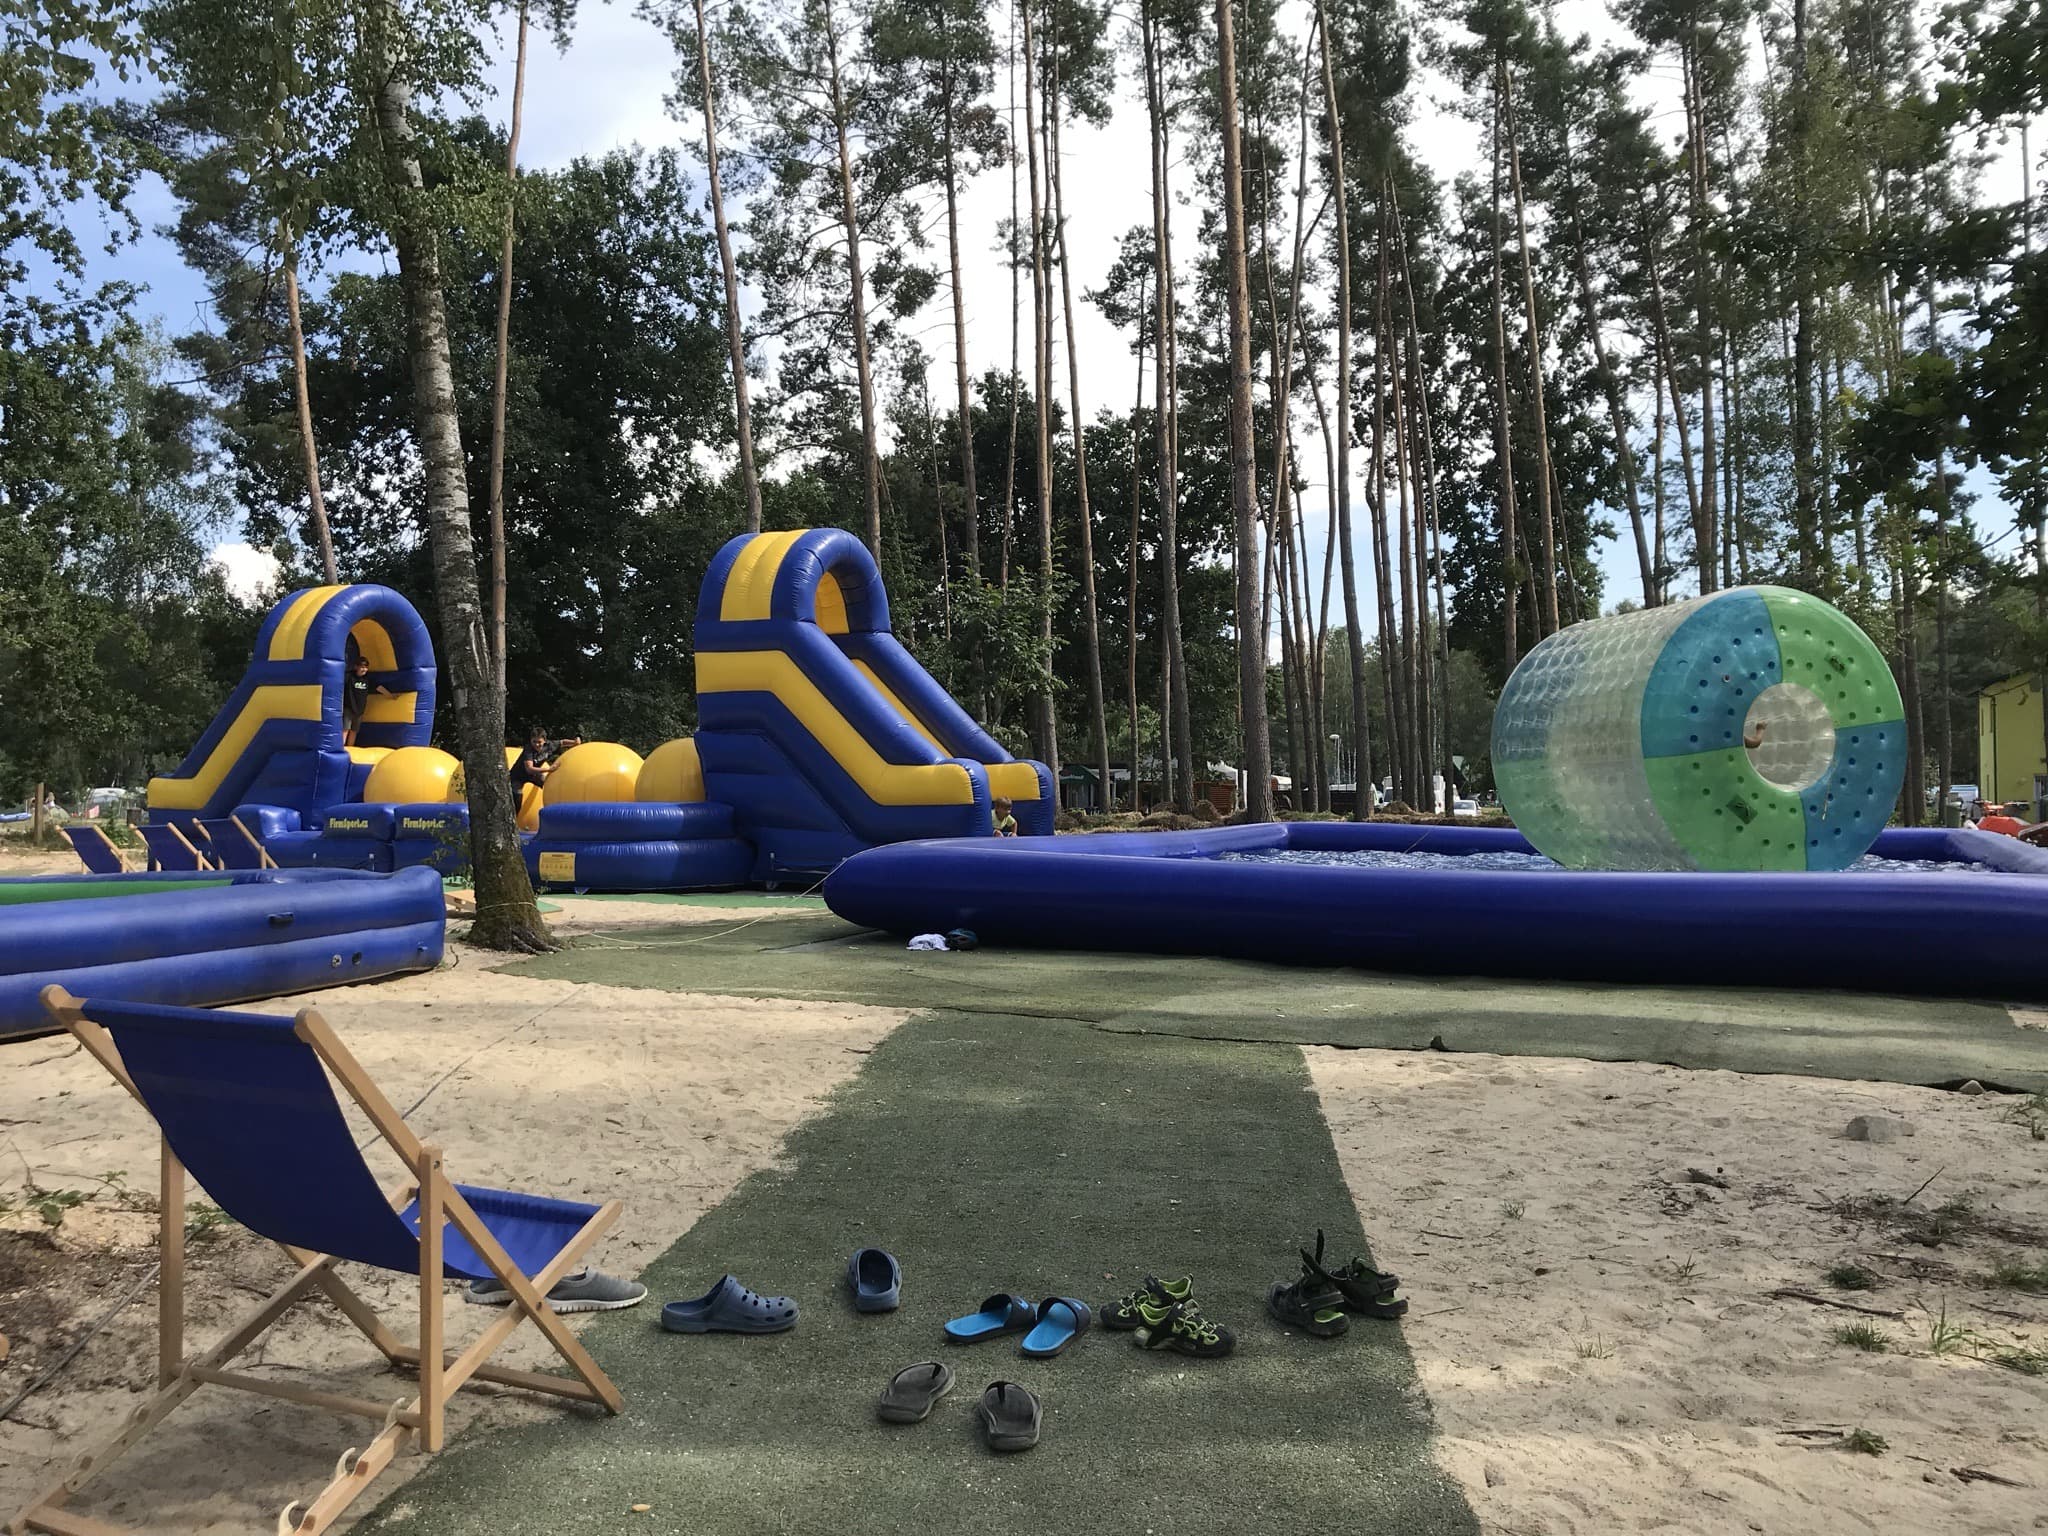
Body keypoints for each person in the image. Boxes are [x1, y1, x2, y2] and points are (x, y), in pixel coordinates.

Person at [509, 726, 582, 795]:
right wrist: (548, 769)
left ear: (544, 741)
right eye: (534, 741)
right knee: (517, 794)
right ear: (531, 740)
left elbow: (562, 742)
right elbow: (529, 769)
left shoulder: (549, 746)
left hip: (534, 774)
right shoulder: (528, 749)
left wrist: (574, 742)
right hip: (517, 776)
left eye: (539, 742)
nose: (536, 744)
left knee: (549, 786)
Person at [343, 655, 396, 747]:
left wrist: (390, 695)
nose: (364, 669)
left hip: (360, 710)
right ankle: (342, 748)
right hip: (349, 708)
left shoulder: (367, 679)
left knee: (354, 730)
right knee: (345, 729)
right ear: (356, 667)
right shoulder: (349, 677)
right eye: (362, 667)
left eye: (366, 667)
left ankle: (350, 748)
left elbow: (378, 687)